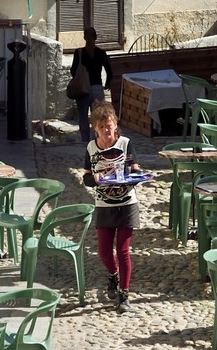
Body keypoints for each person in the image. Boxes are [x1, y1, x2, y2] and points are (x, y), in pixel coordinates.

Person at [82, 100, 140, 313]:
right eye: (102, 127)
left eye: (110, 125)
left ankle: (124, 296)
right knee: (104, 251)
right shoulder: (90, 148)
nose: (107, 130)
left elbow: (136, 170)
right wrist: (97, 178)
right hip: (103, 204)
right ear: (95, 129)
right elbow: (87, 177)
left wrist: (128, 178)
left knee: (123, 250)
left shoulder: (125, 144)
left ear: (116, 125)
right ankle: (112, 274)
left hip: (126, 204)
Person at [68, 27, 112, 144]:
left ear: (84, 37)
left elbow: (73, 71)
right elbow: (109, 71)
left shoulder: (79, 53)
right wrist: (107, 83)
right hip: (97, 87)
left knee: (83, 116)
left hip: (83, 88)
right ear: (96, 37)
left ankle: (85, 141)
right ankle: (98, 139)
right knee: (99, 117)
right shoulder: (101, 53)